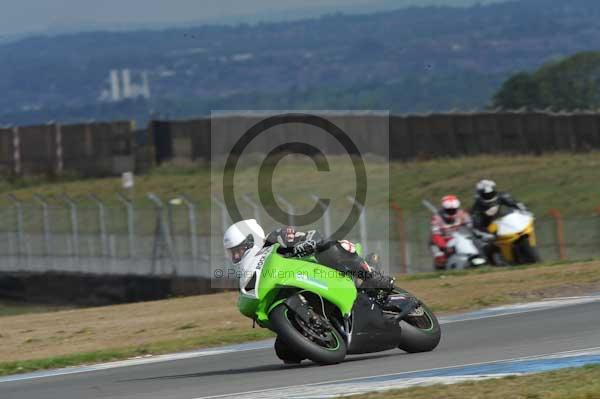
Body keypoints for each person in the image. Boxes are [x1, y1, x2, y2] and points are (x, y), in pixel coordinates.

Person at [223, 220, 395, 295]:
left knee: (330, 247)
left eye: (238, 250)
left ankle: (372, 276)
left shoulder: (275, 238)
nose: (236, 256)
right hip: (297, 286)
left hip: (320, 269)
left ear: (251, 240)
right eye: (233, 253)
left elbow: (313, 236)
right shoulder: (249, 274)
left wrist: (304, 244)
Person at [430, 195, 472, 269]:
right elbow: (436, 235)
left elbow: (470, 225)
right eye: (449, 210)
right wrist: (444, 247)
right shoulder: (437, 218)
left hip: (458, 239)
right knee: (440, 259)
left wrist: (473, 232)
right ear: (444, 209)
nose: (452, 212)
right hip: (441, 242)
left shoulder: (462, 214)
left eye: (454, 209)